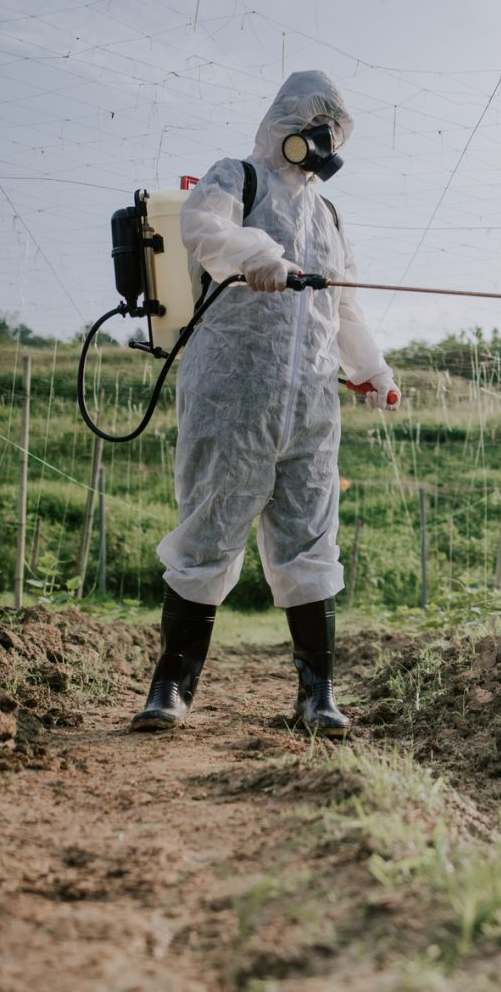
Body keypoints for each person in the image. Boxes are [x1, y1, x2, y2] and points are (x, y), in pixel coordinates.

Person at [131, 71, 399, 738]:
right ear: (289, 125)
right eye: (317, 130)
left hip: (310, 401)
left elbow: (344, 304)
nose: (323, 144)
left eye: (334, 136)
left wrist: (371, 370)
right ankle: (171, 686)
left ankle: (317, 695)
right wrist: (258, 253)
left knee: (311, 539)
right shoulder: (238, 177)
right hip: (233, 394)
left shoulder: (330, 217)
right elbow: (202, 227)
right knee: (206, 534)